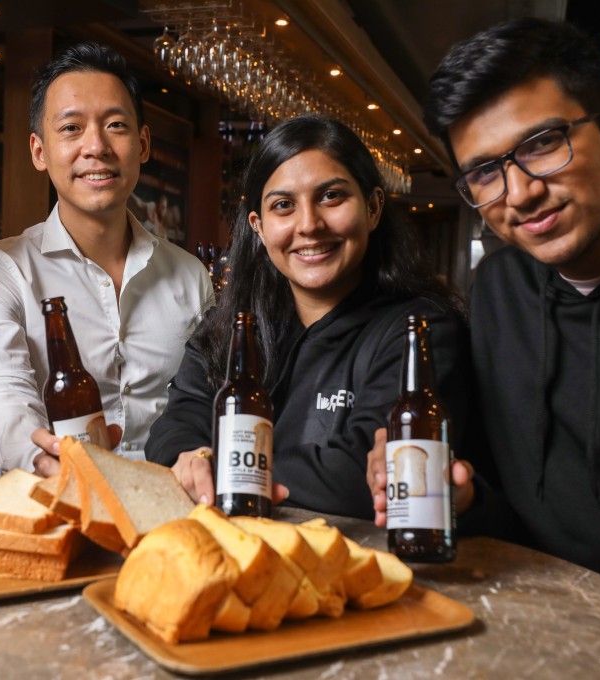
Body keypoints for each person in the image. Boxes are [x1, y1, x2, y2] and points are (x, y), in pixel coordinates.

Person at [367, 17, 600, 625]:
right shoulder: (499, 289)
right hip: (532, 623)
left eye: (543, 143)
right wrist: (460, 494)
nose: (519, 193)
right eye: (485, 172)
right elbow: (513, 508)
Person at [145, 115, 473, 519]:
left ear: (372, 208)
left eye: (331, 196)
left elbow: (362, 472)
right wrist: (191, 456)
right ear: (259, 227)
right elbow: (175, 424)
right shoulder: (232, 326)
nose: (309, 225)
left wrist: (228, 469)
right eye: (283, 205)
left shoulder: (418, 330)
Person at [0, 42, 213, 476]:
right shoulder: (0, 271)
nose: (96, 146)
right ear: (39, 152)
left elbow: (205, 398)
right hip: (53, 497)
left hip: (170, 504)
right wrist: (39, 455)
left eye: (115, 125)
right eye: (72, 129)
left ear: (143, 143)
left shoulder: (190, 276)